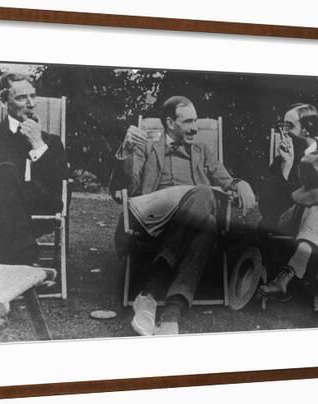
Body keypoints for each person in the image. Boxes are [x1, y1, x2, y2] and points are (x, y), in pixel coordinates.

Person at [110, 96, 257, 336]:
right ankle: (164, 302)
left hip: (187, 223)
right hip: (152, 221)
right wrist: (126, 152)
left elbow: (224, 178)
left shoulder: (202, 150)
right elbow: (127, 187)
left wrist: (241, 184)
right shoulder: (147, 148)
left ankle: (163, 307)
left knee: (206, 221)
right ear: (170, 123)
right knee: (204, 199)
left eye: (196, 121)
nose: (195, 127)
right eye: (188, 121)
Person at [258, 103, 318, 327]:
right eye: (282, 125)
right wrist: (286, 166)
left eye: (288, 126)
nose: (283, 131)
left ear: (307, 129)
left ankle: (287, 274)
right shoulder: (282, 159)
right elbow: (269, 210)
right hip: (292, 223)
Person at [0, 72, 68, 265]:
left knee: (5, 173)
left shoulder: (51, 141)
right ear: (3, 102)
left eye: (33, 96)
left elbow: (60, 182)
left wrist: (38, 144)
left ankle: (14, 262)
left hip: (41, 203)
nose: (31, 103)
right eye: (21, 97)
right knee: (5, 172)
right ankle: (26, 260)